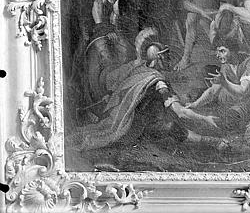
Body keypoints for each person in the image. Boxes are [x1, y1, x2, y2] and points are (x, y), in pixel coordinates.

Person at [71, 30, 228, 152]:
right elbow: (180, 111)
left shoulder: (137, 69)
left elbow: (110, 81)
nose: (168, 60)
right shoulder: (158, 82)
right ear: (158, 58)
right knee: (172, 126)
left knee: (168, 122)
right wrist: (205, 118)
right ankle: (212, 142)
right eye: (165, 56)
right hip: (135, 130)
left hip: (131, 121)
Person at [185, 39, 250, 148]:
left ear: (233, 51)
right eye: (217, 52)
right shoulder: (226, 66)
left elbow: (244, 91)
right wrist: (195, 104)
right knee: (226, 120)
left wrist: (224, 83)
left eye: (222, 51)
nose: (218, 55)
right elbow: (213, 90)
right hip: (246, 102)